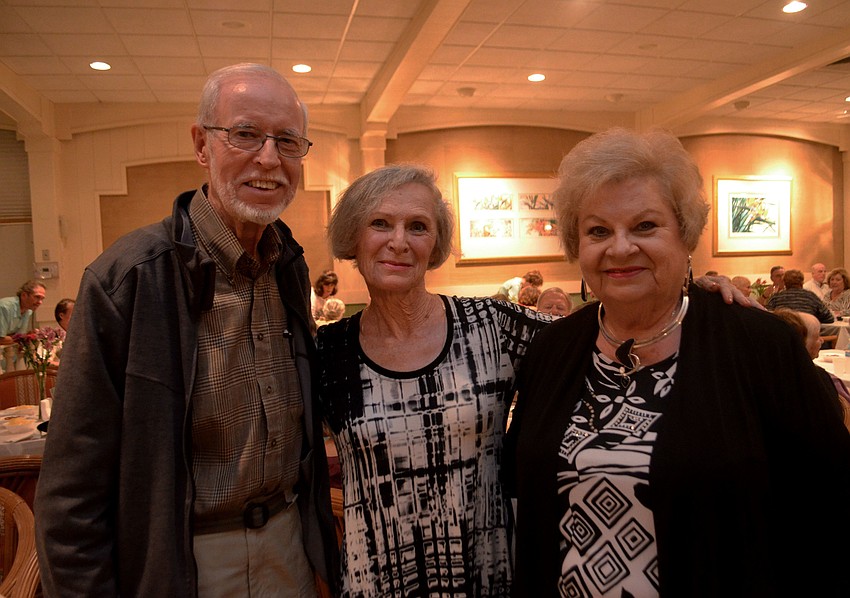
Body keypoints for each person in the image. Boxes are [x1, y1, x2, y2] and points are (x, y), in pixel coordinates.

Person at [315, 163, 748, 596]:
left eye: (418, 226)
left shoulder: (491, 325)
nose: (399, 241)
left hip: (490, 571)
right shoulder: (326, 351)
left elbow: (604, 329)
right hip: (375, 575)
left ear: (436, 242)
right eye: (380, 224)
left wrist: (690, 292)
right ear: (354, 237)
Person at [503, 127, 850, 597]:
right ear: (576, 246)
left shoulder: (757, 344)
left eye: (645, 226)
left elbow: (827, 502)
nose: (620, 248)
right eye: (598, 230)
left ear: (685, 235)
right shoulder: (552, 350)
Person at [35, 63, 339, 596]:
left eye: (288, 141)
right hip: (180, 563)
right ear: (202, 144)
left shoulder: (288, 267)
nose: (269, 158)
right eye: (245, 134)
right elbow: (71, 492)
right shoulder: (129, 278)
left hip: (289, 550)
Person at [771, 308, 850, 431]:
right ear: (801, 343)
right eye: (817, 336)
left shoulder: (765, 375)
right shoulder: (817, 379)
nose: (822, 340)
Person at [765, 268, 834, 323]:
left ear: (785, 282)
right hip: (807, 335)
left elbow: (767, 317)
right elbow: (829, 318)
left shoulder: (776, 298)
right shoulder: (811, 296)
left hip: (783, 336)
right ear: (802, 282)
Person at [0, 280, 46, 345]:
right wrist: (24, 337)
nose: (40, 302)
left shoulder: (28, 311)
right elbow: (1, 339)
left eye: (42, 299)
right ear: (24, 295)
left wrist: (28, 335)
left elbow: (20, 336)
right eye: (37, 297)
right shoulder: (4, 307)